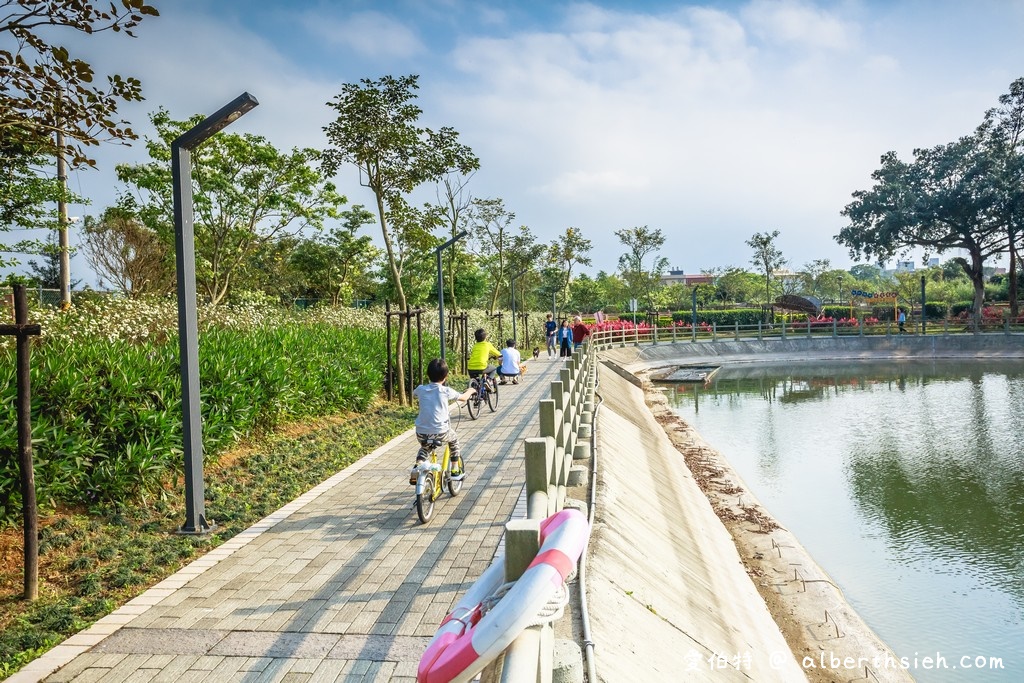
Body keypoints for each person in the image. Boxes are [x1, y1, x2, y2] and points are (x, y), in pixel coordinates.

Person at [411, 358, 475, 484]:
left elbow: (414, 394)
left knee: (425, 447)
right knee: (454, 440)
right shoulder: (446, 391)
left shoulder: (420, 389)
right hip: (441, 431)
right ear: (445, 376)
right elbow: (463, 398)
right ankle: (455, 469)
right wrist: (471, 391)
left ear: (428, 375)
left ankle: (418, 465)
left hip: (421, 432)